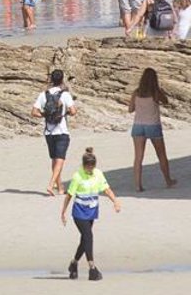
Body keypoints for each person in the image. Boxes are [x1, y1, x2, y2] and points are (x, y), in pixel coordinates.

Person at [60, 147, 122, 281]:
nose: (90, 170)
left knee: (85, 239)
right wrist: (63, 212)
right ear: (83, 165)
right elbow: (69, 195)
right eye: (88, 168)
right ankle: (92, 268)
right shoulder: (77, 176)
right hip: (79, 213)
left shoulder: (98, 174)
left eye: (92, 168)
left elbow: (106, 189)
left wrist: (115, 201)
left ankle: (73, 264)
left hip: (91, 212)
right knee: (88, 236)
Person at [130, 67, 178, 191]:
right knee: (161, 155)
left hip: (138, 125)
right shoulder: (156, 92)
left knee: (138, 157)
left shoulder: (136, 92)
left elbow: (130, 109)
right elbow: (166, 101)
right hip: (153, 125)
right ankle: (168, 180)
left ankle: (138, 185)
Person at [33, 69, 76, 196]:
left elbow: (34, 112)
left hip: (49, 132)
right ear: (62, 80)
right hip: (62, 131)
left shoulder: (44, 94)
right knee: (60, 159)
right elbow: (73, 111)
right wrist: (65, 113)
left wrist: (45, 115)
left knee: (54, 159)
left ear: (51, 79)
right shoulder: (65, 94)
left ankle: (60, 188)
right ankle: (51, 185)